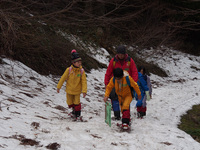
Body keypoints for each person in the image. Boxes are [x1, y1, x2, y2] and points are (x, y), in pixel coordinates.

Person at [104, 45, 138, 120]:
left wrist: (133, 83)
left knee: (126, 100)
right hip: (115, 83)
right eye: (119, 54)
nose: (120, 56)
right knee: (114, 98)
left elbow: (134, 72)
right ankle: (117, 115)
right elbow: (108, 72)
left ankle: (126, 116)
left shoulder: (129, 61)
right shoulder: (113, 61)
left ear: (125, 54)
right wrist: (106, 83)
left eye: (122, 54)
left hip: (127, 84)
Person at [57, 49, 87, 121]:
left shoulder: (81, 71)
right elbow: (63, 78)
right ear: (73, 63)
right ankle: (74, 112)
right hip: (69, 90)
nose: (79, 63)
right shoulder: (69, 70)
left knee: (77, 103)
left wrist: (84, 91)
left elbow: (84, 81)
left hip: (77, 91)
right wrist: (59, 87)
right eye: (78, 62)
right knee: (70, 102)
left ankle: (78, 114)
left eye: (80, 62)